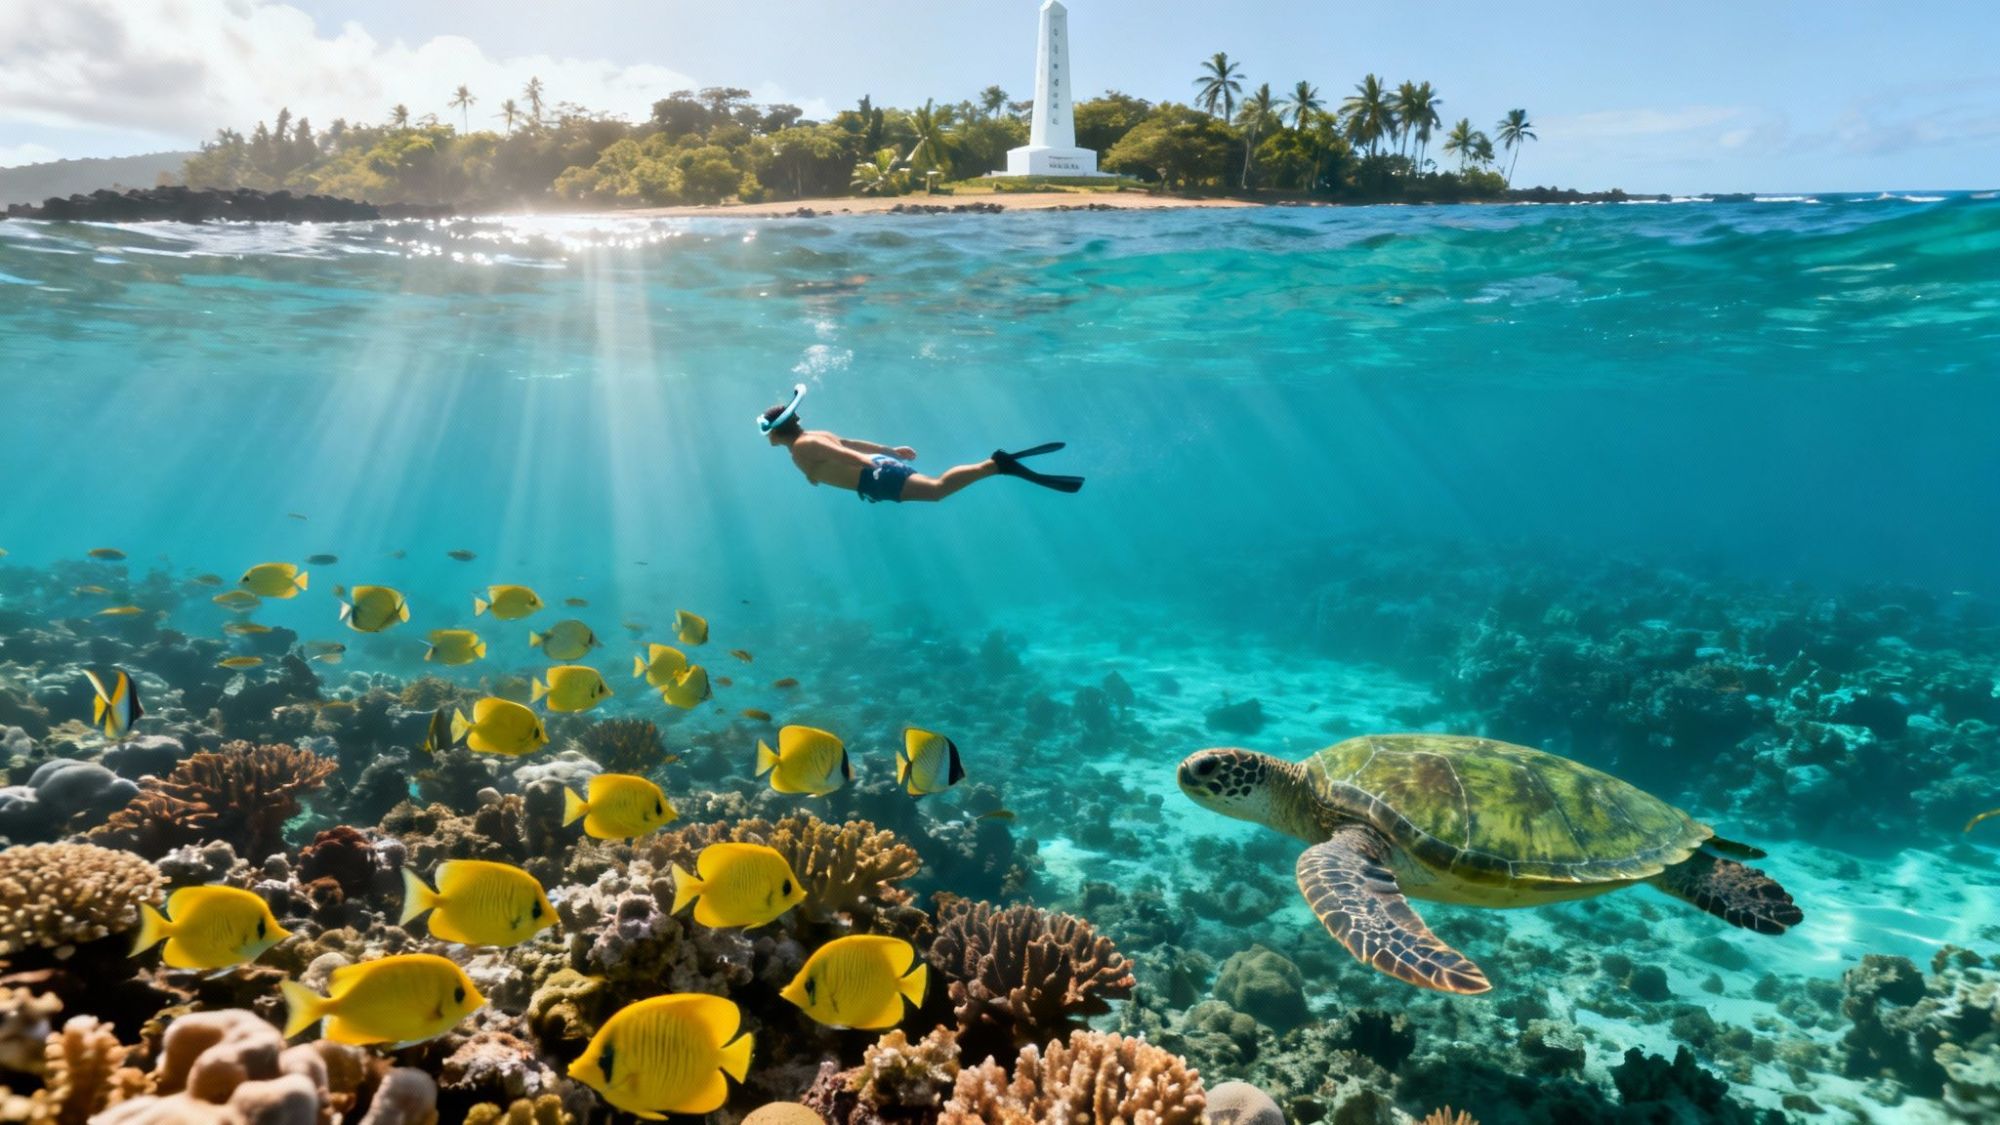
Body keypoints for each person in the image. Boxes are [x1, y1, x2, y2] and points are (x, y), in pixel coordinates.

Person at [758, 384, 1081, 504]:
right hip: (878, 472)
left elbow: (842, 451)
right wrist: (889, 451)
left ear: (777, 431)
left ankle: (994, 465)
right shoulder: (812, 437)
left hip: (874, 477)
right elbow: (847, 442)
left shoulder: (802, 447)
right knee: (935, 488)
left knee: (937, 490)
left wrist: (871, 465)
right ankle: (996, 466)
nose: (768, 437)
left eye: (768, 432)